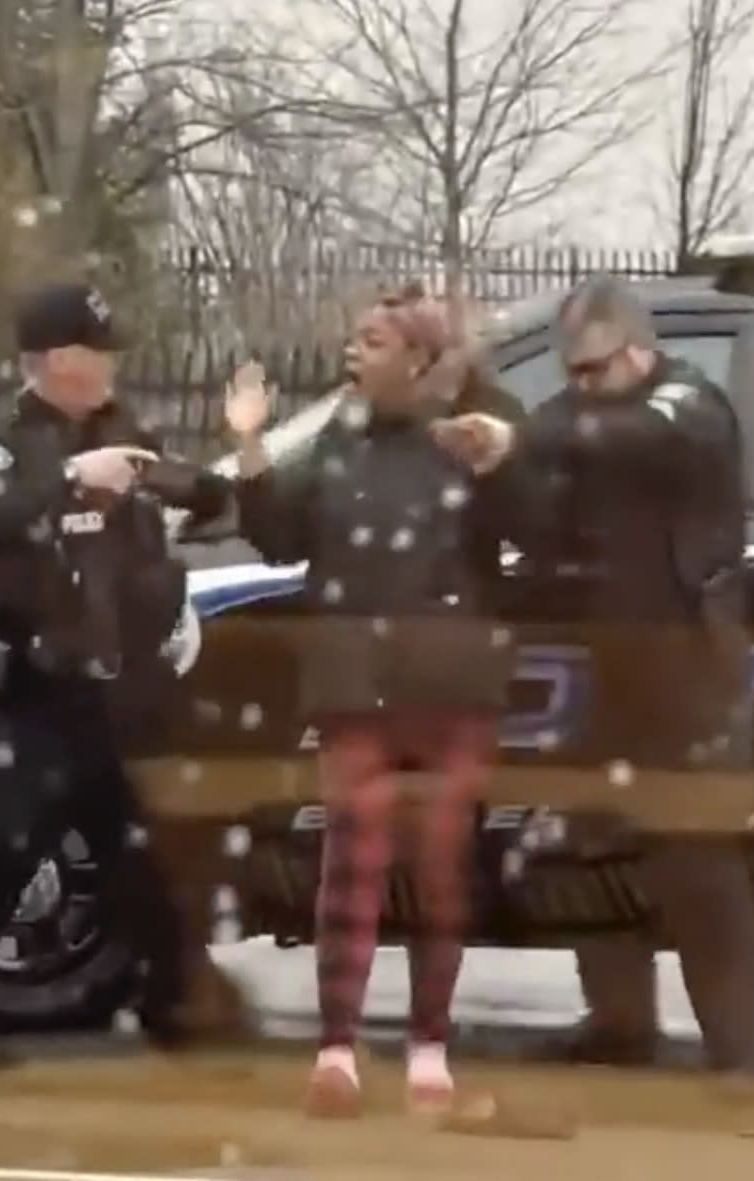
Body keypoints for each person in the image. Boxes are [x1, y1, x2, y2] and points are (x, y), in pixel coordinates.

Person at [0, 281, 235, 1073]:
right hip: (32, 692)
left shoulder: (123, 430)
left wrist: (201, 488)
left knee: (144, 858)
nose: (108, 366)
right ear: (54, 360)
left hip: (121, 689)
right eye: (94, 352)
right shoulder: (1, 440)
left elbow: (192, 499)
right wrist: (75, 479)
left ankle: (175, 1008)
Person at [434, 275, 754, 1076]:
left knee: (698, 867)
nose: (579, 387)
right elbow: (537, 491)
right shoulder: (579, 420)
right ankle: (621, 1023)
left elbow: (613, 439)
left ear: (640, 350)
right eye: (571, 373)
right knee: (590, 850)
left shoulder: (688, 408)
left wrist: (525, 440)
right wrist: (490, 447)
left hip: (693, 677)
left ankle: (743, 1058)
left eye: (594, 370)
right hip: (616, 672)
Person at [224, 286, 522, 1118]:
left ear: (421, 361)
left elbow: (537, 517)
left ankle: (430, 1046)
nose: (353, 353)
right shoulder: (338, 438)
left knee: (437, 867)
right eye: (354, 339)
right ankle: (337, 1048)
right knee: (350, 866)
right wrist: (248, 444)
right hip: (355, 684)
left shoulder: (472, 434)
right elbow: (281, 535)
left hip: (451, 685)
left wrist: (501, 460)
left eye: (372, 341)